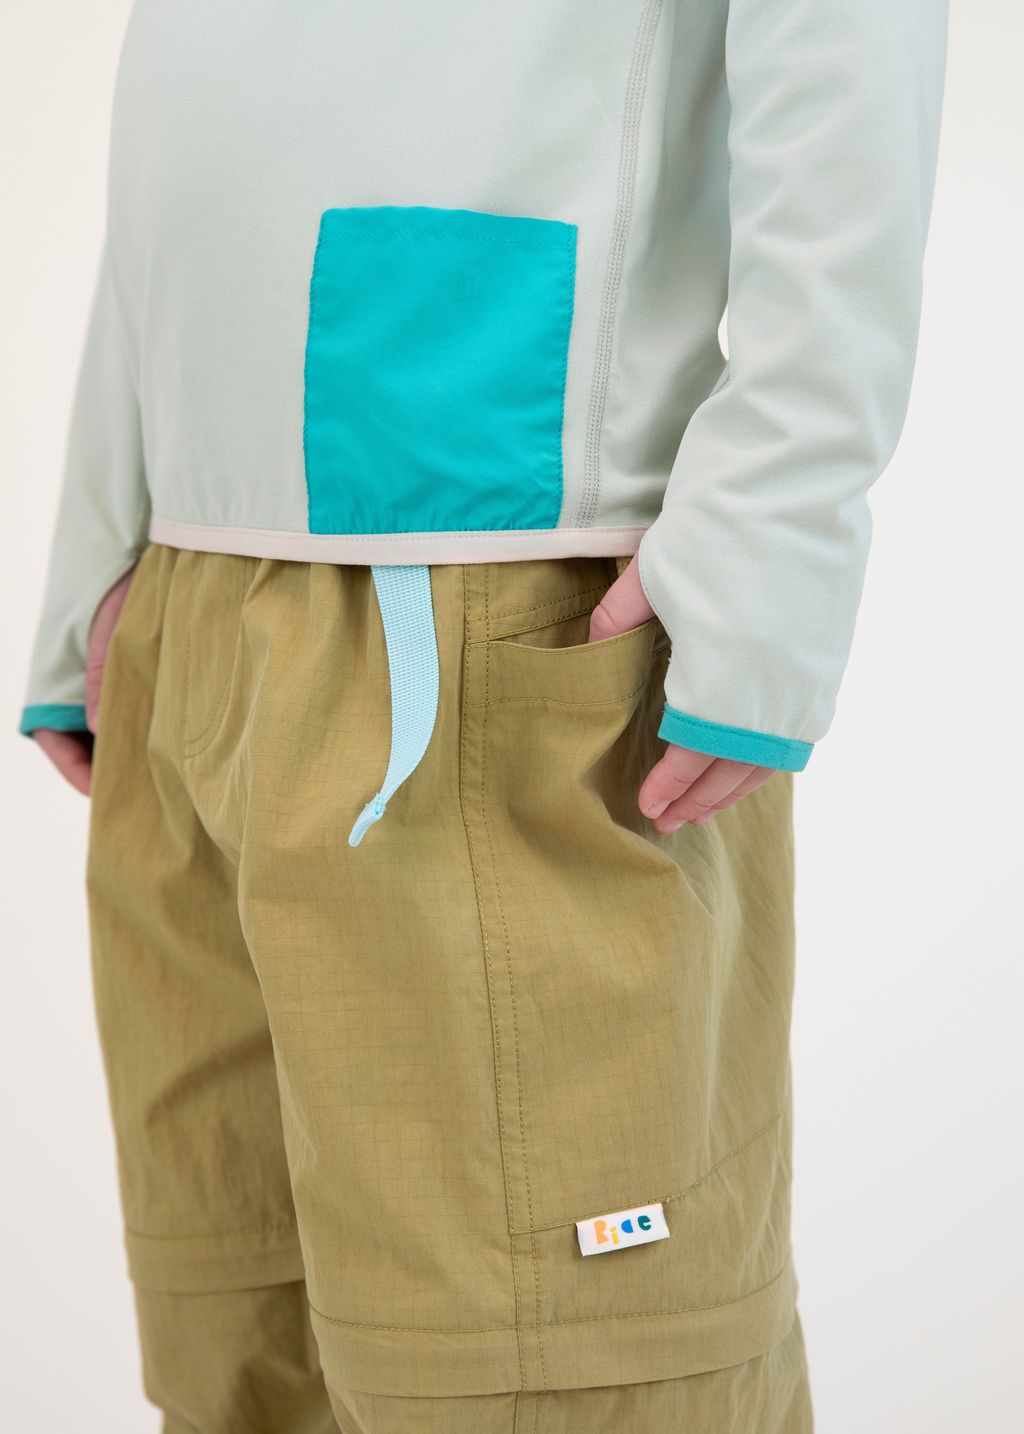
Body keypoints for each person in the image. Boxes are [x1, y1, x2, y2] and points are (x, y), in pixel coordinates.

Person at [19, 2, 947, 1430]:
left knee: (553, 1375)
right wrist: (106, 524)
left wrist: (773, 518)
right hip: (190, 594)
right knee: (241, 1349)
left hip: (494, 582)